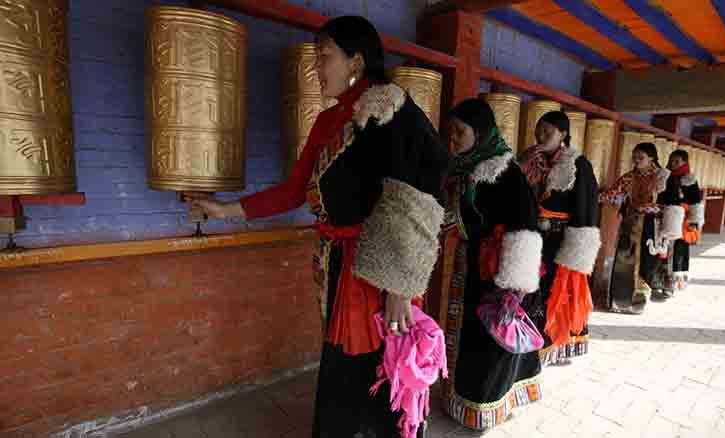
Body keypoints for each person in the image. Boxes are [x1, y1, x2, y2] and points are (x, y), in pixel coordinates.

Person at [187, 15, 449, 438]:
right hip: (337, 264)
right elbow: (293, 191)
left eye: (323, 57)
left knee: (378, 365)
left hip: (380, 271)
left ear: (356, 61)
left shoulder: (390, 107)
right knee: (343, 366)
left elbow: (421, 185)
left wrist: (399, 284)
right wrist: (224, 210)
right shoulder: (328, 123)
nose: (315, 68)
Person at [441, 98, 543, 430]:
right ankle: (464, 397)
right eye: (452, 131)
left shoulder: (507, 174)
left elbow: (525, 228)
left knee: (492, 339)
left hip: (498, 275)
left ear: (481, 132)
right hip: (472, 266)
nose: (453, 139)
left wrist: (513, 289)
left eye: (460, 132)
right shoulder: (464, 169)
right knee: (473, 335)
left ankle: (486, 404)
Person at [518, 111, 600, 366]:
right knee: (532, 290)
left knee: (557, 291)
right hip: (533, 238)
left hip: (560, 240)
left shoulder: (578, 166)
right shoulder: (530, 160)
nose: (541, 136)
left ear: (563, 134)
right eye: (538, 131)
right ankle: (532, 343)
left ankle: (556, 343)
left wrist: (576, 253)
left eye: (548, 131)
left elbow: (587, 210)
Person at [600, 142, 684, 313]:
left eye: (641, 157)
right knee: (623, 261)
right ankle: (618, 301)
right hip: (630, 223)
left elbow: (673, 205)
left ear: (652, 158)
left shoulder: (664, 177)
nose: (636, 160)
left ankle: (639, 302)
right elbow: (614, 193)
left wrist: (650, 208)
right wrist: (595, 195)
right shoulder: (629, 177)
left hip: (651, 226)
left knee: (645, 263)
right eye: (634, 157)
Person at [665, 149, 704, 292]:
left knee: (680, 247)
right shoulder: (667, 177)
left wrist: (694, 221)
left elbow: (696, 201)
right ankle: (668, 278)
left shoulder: (689, 179)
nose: (673, 164)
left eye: (677, 161)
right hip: (669, 216)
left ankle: (677, 279)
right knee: (668, 247)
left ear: (685, 162)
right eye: (671, 161)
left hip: (684, 218)